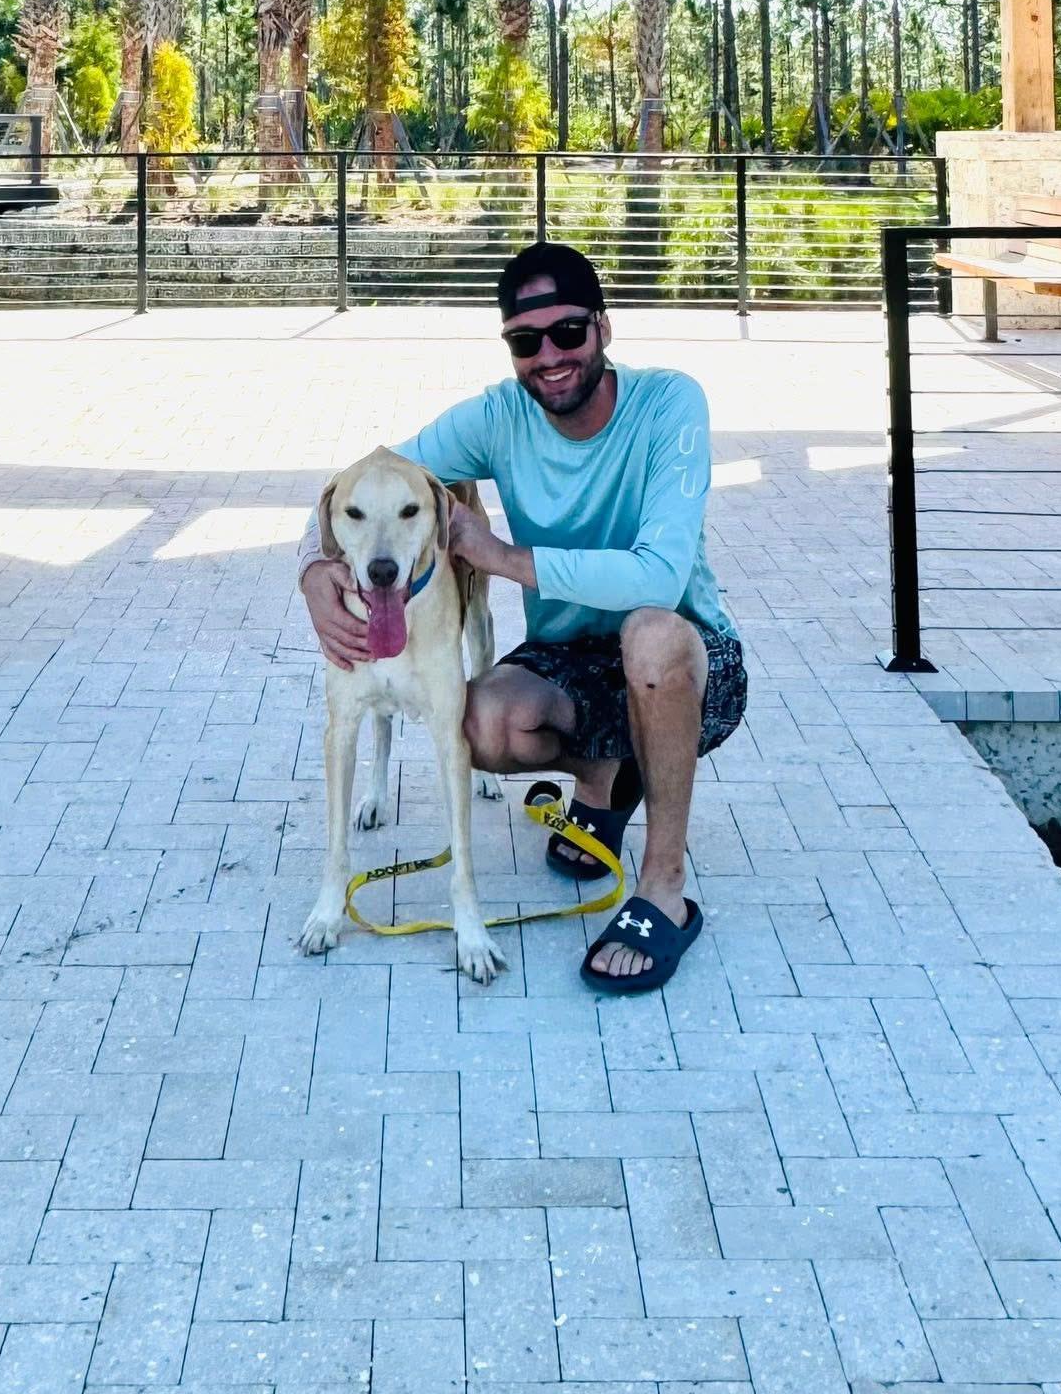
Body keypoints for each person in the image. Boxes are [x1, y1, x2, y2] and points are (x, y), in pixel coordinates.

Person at [298, 240, 744, 995]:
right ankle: (605, 785)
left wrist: (501, 557)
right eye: (525, 341)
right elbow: (366, 482)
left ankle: (663, 888)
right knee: (475, 722)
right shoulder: (501, 415)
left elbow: (660, 576)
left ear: (603, 326)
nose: (550, 356)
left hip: (688, 659)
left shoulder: (670, 403)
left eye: (567, 332)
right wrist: (315, 570)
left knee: (651, 636)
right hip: (569, 656)